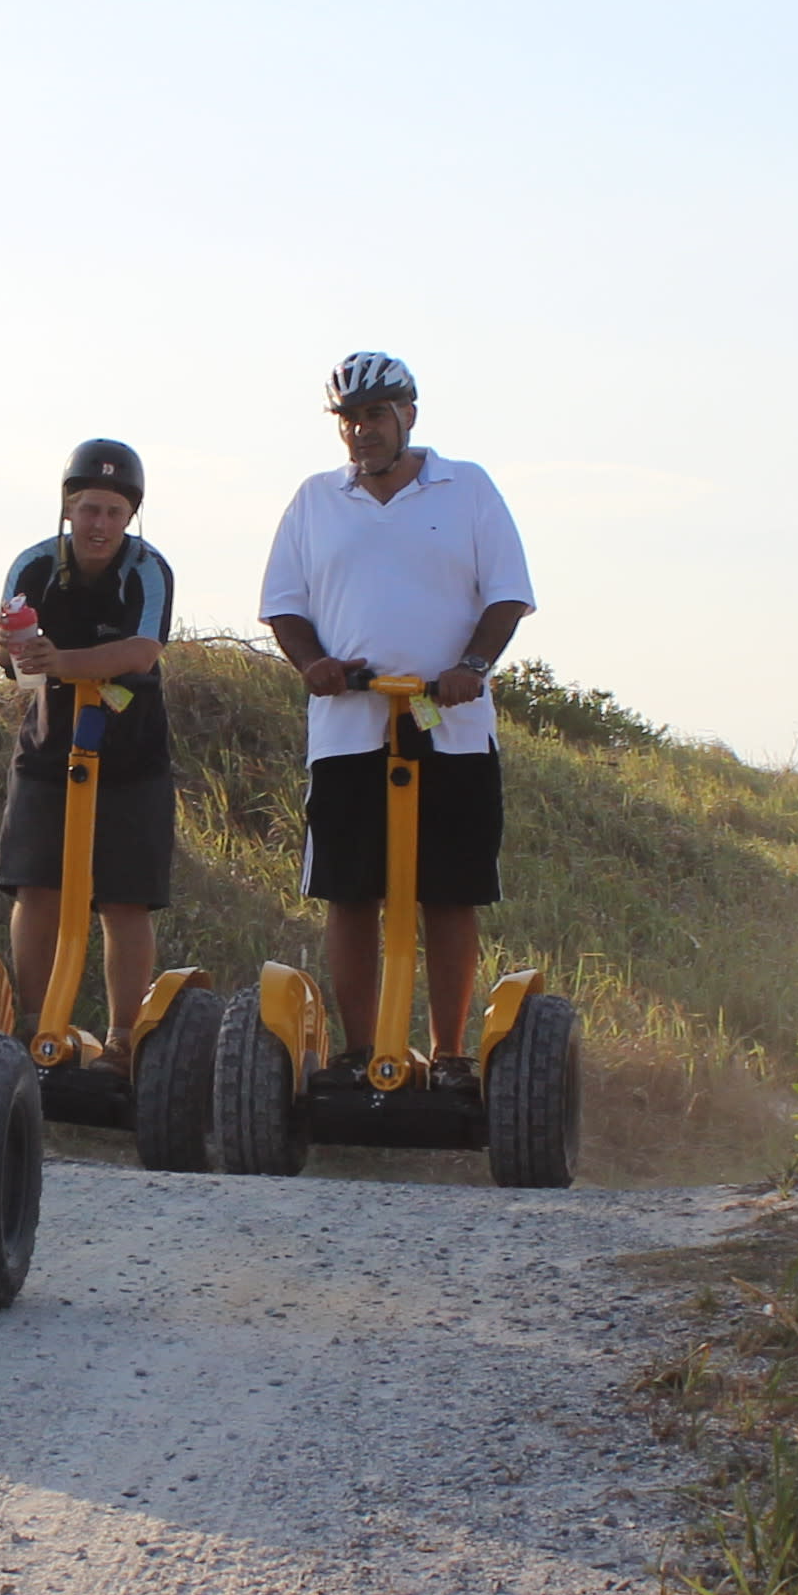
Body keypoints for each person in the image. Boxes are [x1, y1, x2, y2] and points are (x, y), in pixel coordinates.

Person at [256, 349, 533, 1081]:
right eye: (348, 420)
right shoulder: (315, 499)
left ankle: (447, 1055)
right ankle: (357, 1053)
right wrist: (313, 664)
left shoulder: (466, 488)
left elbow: (507, 593)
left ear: (408, 414)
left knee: (448, 894)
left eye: (375, 415)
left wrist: (470, 668)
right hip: (350, 727)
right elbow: (285, 605)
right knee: (350, 895)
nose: (362, 432)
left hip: (452, 728)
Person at [0, 437, 177, 1047]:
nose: (100, 525)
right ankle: (38, 1031)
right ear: (69, 509)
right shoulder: (35, 565)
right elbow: (7, 654)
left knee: (125, 902)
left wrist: (62, 659)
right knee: (36, 890)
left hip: (133, 754)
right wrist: (10, 645)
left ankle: (123, 1041)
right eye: (90, 509)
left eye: (113, 513)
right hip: (49, 748)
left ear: (130, 517)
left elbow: (142, 651)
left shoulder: (147, 570)